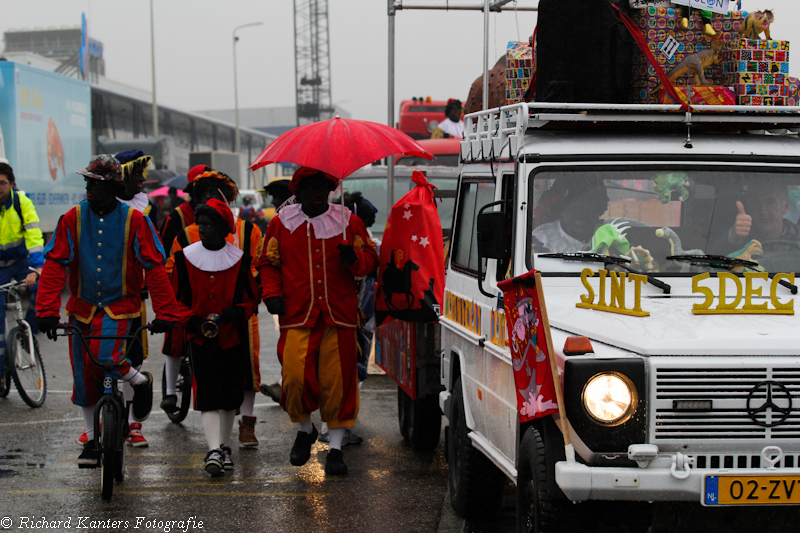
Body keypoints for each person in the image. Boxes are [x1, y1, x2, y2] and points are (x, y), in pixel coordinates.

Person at [36, 154, 177, 467]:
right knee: (83, 377)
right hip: (81, 308)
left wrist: (166, 312)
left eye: (96, 183)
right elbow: (55, 264)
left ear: (113, 186)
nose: (89, 188)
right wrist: (45, 310)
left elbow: (154, 267)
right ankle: (90, 438)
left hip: (119, 308)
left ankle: (138, 381)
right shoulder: (71, 218)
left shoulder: (135, 220)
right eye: (87, 182)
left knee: (104, 356)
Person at [258, 166, 379, 476]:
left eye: (321, 188)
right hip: (297, 315)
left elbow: (370, 260)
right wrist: (271, 294)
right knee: (295, 381)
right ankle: (305, 429)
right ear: (297, 192)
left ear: (330, 191)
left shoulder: (348, 222)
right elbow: (268, 264)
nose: (315, 194)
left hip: (339, 316)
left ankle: (336, 450)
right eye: (308, 188)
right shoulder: (281, 224)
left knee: (338, 385)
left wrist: (353, 259)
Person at [162, 170, 264, 448]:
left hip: (237, 321)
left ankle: (247, 423)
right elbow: (174, 279)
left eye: (217, 191)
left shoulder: (248, 231)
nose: (211, 196)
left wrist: (239, 308)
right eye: (205, 192)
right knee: (200, 377)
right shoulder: (185, 238)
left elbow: (258, 270)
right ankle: (173, 393)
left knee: (246, 371)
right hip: (196, 319)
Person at [0, 161, 44, 395]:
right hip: (0, 268)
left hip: (20, 263)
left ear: (11, 184)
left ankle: (30, 332)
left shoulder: (21, 203)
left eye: (2, 183)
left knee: (43, 288)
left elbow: (34, 236)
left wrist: (35, 269)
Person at [711, 181, 800, 257]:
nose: (763, 210)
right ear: (749, 207)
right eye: (756, 203)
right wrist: (733, 236)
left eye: (770, 203)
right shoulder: (739, 238)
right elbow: (712, 260)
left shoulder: (797, 237)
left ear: (785, 207)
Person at [531, 177, 610, 253]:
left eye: (587, 207)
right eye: (573, 207)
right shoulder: (541, 241)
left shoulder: (612, 236)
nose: (580, 213)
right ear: (560, 209)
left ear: (598, 209)